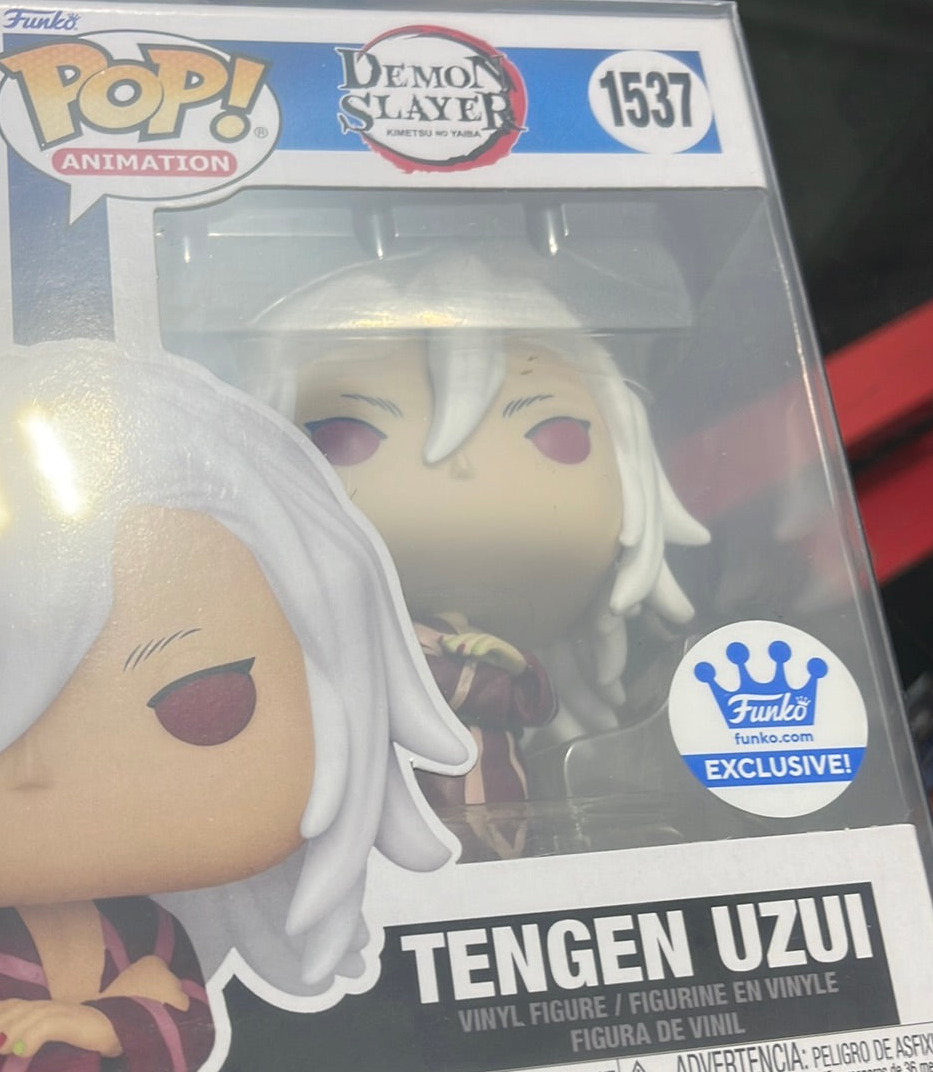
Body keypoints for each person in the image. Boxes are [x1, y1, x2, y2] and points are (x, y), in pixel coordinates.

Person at [0, 343, 474, 1069]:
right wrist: (108, 1017)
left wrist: (105, 1025)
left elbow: (187, 1025)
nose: (33, 768)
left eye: (201, 702)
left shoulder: (148, 929)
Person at [251, 250, 709, 856]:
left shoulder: (508, 663)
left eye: (556, 436)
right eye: (348, 437)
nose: (462, 467)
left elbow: (532, 702)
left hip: (503, 801)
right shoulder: (364, 663)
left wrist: (503, 662)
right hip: (382, 815)